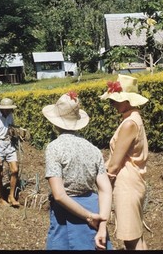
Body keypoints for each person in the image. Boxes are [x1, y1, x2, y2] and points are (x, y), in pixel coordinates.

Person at [43, 91, 113, 250]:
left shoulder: (54, 148)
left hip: (67, 213)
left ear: (55, 123)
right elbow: (106, 189)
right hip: (93, 207)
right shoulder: (93, 149)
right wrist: (102, 225)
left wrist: (89, 217)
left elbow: (60, 195)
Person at [100, 74, 149, 250]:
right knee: (136, 235)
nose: (112, 104)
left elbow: (114, 165)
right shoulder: (134, 119)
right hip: (133, 180)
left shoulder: (129, 124)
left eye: (115, 100)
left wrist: (103, 182)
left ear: (127, 100)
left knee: (130, 239)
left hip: (126, 183)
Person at [0, 97, 20, 207]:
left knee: (15, 170)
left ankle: (11, 196)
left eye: (11, 108)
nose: (10, 110)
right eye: (8, 108)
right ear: (3, 108)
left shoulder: (10, 116)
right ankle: (1, 198)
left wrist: (17, 133)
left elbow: (11, 129)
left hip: (9, 143)